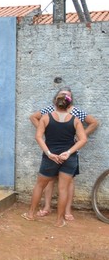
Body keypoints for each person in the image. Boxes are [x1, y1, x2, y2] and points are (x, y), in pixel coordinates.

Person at [29, 87, 99, 220]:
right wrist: (45, 130)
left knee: (65, 183)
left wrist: (79, 136)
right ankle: (49, 210)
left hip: (57, 152)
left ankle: (67, 211)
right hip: (68, 153)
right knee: (55, 183)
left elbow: (93, 123)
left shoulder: (76, 112)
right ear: (57, 98)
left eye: (67, 95)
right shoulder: (50, 112)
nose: (65, 96)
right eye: (63, 94)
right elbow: (33, 118)